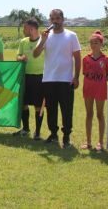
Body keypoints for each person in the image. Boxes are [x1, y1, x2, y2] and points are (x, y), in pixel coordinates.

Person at [33, 9, 81, 148]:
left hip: (66, 80)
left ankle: (66, 136)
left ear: (62, 19)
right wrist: (43, 40)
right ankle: (53, 134)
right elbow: (35, 54)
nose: (55, 21)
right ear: (50, 20)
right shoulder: (46, 36)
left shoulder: (71, 36)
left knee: (67, 110)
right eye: (52, 18)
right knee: (51, 109)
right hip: (48, 79)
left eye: (58, 18)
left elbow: (78, 58)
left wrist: (76, 77)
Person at [81, 30, 108, 151]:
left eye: (96, 42)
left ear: (101, 44)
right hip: (88, 89)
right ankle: (88, 142)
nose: (93, 45)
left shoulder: (106, 59)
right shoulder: (86, 59)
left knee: (100, 114)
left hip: (100, 90)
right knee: (89, 114)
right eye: (91, 42)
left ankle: (100, 143)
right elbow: (85, 73)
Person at [13, 18, 44, 140]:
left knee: (38, 106)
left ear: (31, 29)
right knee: (23, 104)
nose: (23, 30)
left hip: (39, 78)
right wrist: (20, 58)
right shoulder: (23, 42)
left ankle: (38, 132)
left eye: (25, 28)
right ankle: (25, 129)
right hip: (25, 77)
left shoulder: (44, 41)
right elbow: (17, 55)